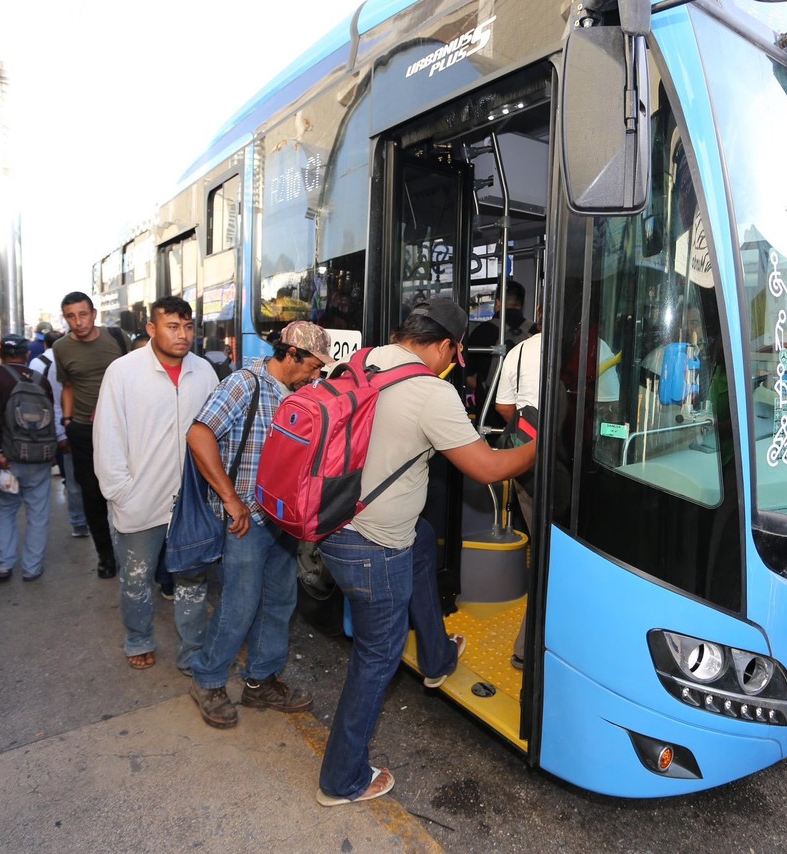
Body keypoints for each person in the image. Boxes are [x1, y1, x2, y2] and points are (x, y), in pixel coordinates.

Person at [315, 298, 535, 806]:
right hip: (372, 547)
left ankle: (437, 658)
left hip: (332, 524)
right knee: (377, 657)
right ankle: (341, 779)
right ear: (442, 346)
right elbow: (486, 468)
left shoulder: (363, 362)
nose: (453, 367)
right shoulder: (428, 392)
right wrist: (537, 445)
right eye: (454, 357)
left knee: (422, 536)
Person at [185, 321, 333, 727]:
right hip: (247, 521)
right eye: (314, 366)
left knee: (279, 603)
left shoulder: (303, 394)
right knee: (240, 604)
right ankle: (208, 679)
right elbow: (199, 436)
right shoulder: (244, 385)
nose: (317, 374)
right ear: (291, 355)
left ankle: (260, 682)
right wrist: (231, 500)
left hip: (283, 519)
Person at [94, 297, 219, 671]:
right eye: (172, 327)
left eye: (188, 327)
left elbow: (215, 433)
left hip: (192, 502)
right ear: (151, 328)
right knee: (136, 579)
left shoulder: (204, 371)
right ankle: (138, 638)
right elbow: (108, 435)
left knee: (192, 584)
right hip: (139, 501)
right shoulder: (123, 371)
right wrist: (120, 492)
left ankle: (192, 653)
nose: (182, 335)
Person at [52, 292, 131, 578]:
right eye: (71, 316)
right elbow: (68, 386)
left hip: (123, 426)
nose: (78, 322)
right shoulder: (61, 348)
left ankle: (134, 552)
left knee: (129, 489)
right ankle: (106, 556)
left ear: (94, 314)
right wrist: (68, 421)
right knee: (92, 494)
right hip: (84, 429)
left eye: (83, 314)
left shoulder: (116, 338)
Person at [0, 335, 57, 582]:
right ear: (27, 355)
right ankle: (32, 568)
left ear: (1, 354)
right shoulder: (41, 380)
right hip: (40, 457)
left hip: (7, 458)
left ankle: (3, 566)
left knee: (5, 510)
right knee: (38, 513)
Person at [493, 329, 543, 670]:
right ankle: (530, 646)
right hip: (572, 468)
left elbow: (503, 405)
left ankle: (528, 646)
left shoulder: (521, 350)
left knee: (541, 553)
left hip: (527, 462)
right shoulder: (598, 345)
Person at [29, 329, 89, 538]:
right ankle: (81, 521)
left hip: (71, 428)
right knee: (78, 480)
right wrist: (62, 432)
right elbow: (53, 402)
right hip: (72, 427)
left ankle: (83, 521)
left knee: (77, 480)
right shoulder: (54, 363)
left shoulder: (38, 364)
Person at [467, 280, 535, 424]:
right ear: (522, 304)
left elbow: (467, 376)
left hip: (488, 414)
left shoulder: (481, 331)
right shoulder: (535, 332)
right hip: (527, 414)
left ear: (498, 301)